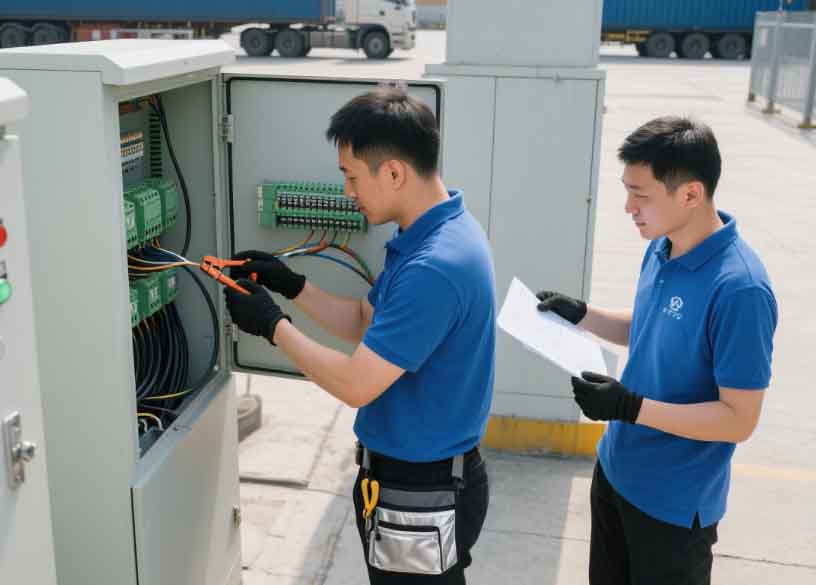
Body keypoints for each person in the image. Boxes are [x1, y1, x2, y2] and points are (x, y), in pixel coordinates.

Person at [224, 88, 495, 584]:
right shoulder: (428, 234)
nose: (348, 191)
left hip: (421, 486)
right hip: (407, 477)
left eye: (351, 177)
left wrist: (271, 325)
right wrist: (289, 285)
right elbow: (363, 320)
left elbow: (356, 384)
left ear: (393, 172)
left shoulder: (435, 265)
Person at [536, 116, 778, 585]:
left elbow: (739, 418)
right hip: (616, 472)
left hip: (673, 504)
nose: (628, 206)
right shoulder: (663, 246)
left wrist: (630, 406)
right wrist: (583, 314)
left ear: (690, 193)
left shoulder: (741, 290)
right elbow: (653, 325)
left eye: (640, 194)